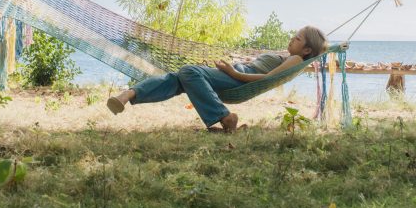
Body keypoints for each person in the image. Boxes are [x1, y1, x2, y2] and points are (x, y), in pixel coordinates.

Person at [106, 26, 328, 132]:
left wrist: (233, 72)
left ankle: (224, 117)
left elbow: (266, 78)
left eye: (297, 38)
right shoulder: (290, 55)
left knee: (189, 72)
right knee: (179, 77)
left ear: (307, 49)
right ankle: (128, 95)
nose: (291, 39)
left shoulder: (297, 59)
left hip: (239, 80)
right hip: (237, 73)